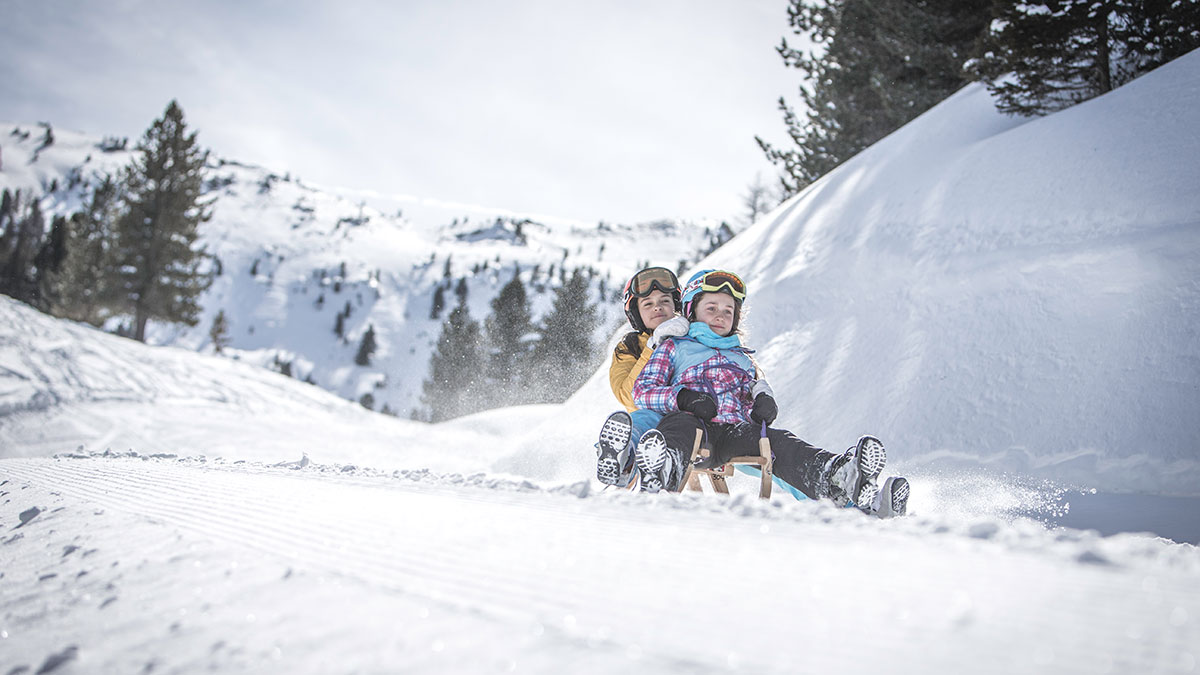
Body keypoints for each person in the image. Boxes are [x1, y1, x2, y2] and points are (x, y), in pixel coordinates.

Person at [631, 268, 909, 517]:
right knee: (681, 425)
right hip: (692, 428)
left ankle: (839, 477)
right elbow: (642, 391)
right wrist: (682, 398)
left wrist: (764, 401)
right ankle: (662, 471)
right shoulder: (675, 347)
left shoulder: (742, 358)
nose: (720, 315)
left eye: (728, 310)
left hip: (732, 432)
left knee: (779, 442)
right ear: (692, 310)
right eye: (712, 307)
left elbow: (755, 388)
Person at [595, 267, 690, 488]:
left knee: (670, 425)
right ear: (636, 313)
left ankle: (638, 466)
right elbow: (628, 396)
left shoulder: (694, 338)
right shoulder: (629, 347)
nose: (658, 306)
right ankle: (620, 458)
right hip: (650, 417)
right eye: (647, 303)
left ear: (676, 306)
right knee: (642, 419)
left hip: (688, 417)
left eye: (665, 300)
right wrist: (653, 346)